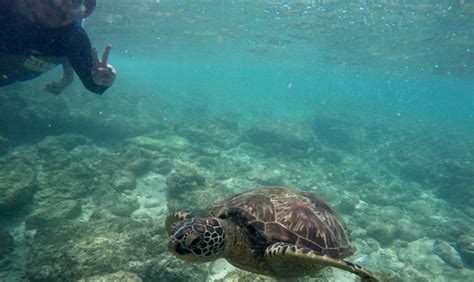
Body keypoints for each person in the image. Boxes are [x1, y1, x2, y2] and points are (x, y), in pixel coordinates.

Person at [0, 0, 116, 95]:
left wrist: (103, 79)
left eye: (77, 2)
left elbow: (94, 85)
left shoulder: (73, 37)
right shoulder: (5, 9)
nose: (66, 8)